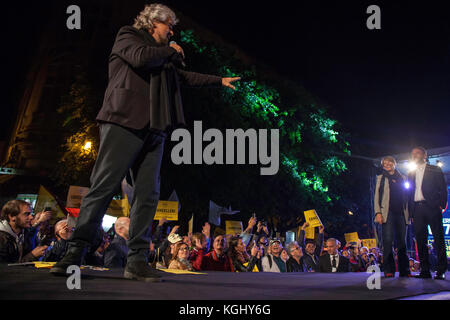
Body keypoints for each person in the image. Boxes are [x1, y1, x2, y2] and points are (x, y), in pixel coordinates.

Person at [50, 3, 240, 281]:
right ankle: (75, 251)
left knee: (148, 194)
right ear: (153, 23)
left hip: (155, 128)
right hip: (123, 121)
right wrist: (171, 51)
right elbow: (140, 58)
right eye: (169, 26)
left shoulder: (164, 57)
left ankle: (137, 259)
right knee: (103, 186)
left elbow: (182, 77)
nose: (172, 31)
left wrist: (217, 80)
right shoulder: (129, 36)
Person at [407, 147, 448, 280]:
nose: (414, 155)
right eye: (413, 154)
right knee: (420, 240)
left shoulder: (434, 169)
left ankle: (441, 270)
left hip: (432, 207)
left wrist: (441, 205)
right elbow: (409, 192)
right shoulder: (411, 173)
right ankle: (425, 270)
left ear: (425, 155)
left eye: (417, 153)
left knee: (438, 238)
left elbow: (442, 188)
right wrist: (411, 212)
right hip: (417, 208)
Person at [374, 156, 411, 277]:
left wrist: (410, 213)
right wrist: (378, 213)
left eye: (389, 162)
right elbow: (376, 197)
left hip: (401, 212)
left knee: (402, 242)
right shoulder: (380, 178)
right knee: (388, 241)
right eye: (384, 163)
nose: (387, 164)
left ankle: (404, 270)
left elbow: (408, 197)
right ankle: (388, 270)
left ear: (394, 163)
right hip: (387, 213)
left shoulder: (403, 178)